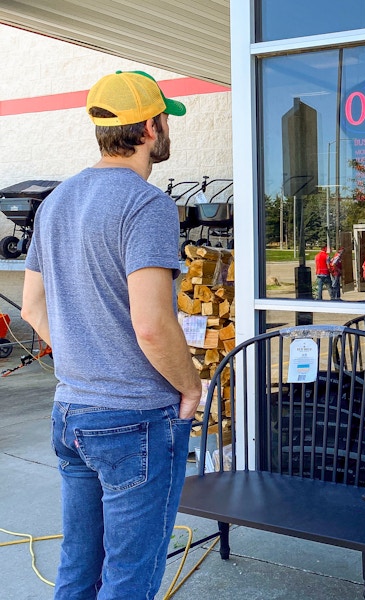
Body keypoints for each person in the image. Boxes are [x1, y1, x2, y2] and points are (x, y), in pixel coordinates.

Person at [20, 70, 202, 600]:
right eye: (165, 119)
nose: (166, 128)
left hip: (71, 412)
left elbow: (33, 307)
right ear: (150, 127)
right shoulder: (146, 204)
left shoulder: (55, 202)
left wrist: (84, 353)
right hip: (134, 420)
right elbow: (151, 325)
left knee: (78, 568)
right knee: (130, 575)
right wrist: (190, 387)